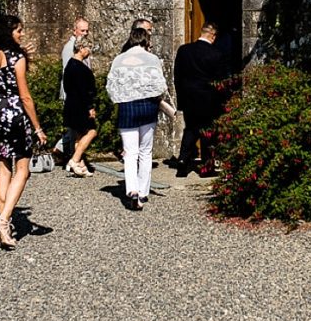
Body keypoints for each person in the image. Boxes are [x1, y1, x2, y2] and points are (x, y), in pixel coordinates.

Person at [0, 15, 47, 249]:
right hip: (16, 112)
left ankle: (4, 224)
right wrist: (37, 127)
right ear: (9, 33)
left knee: (3, 168)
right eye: (19, 30)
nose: (22, 34)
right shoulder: (16, 58)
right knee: (23, 169)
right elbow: (25, 95)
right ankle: (4, 220)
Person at [107, 27, 167, 211]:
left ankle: (132, 190)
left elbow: (111, 85)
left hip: (127, 107)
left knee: (130, 152)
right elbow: (160, 85)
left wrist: (121, 97)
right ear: (146, 41)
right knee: (145, 151)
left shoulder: (119, 59)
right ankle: (143, 190)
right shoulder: (152, 59)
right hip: (148, 107)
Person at [173, 21, 227, 177]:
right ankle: (207, 167)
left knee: (190, 129)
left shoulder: (184, 51)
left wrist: (180, 98)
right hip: (208, 100)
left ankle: (183, 161)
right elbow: (220, 81)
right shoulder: (216, 54)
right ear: (212, 35)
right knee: (207, 132)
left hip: (189, 98)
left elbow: (177, 76)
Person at [56, 16, 92, 168]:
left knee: (76, 130)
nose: (85, 33)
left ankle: (73, 157)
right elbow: (68, 75)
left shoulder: (81, 46)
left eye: (87, 30)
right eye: (82, 30)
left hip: (78, 95)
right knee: (78, 130)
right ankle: (71, 157)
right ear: (75, 30)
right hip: (74, 96)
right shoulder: (70, 48)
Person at [63, 36, 96, 177]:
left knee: (78, 136)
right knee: (92, 131)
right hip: (81, 107)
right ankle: (75, 160)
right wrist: (90, 107)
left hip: (70, 105)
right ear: (81, 48)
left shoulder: (69, 65)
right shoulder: (82, 69)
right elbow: (85, 91)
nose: (89, 51)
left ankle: (80, 166)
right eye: (88, 48)